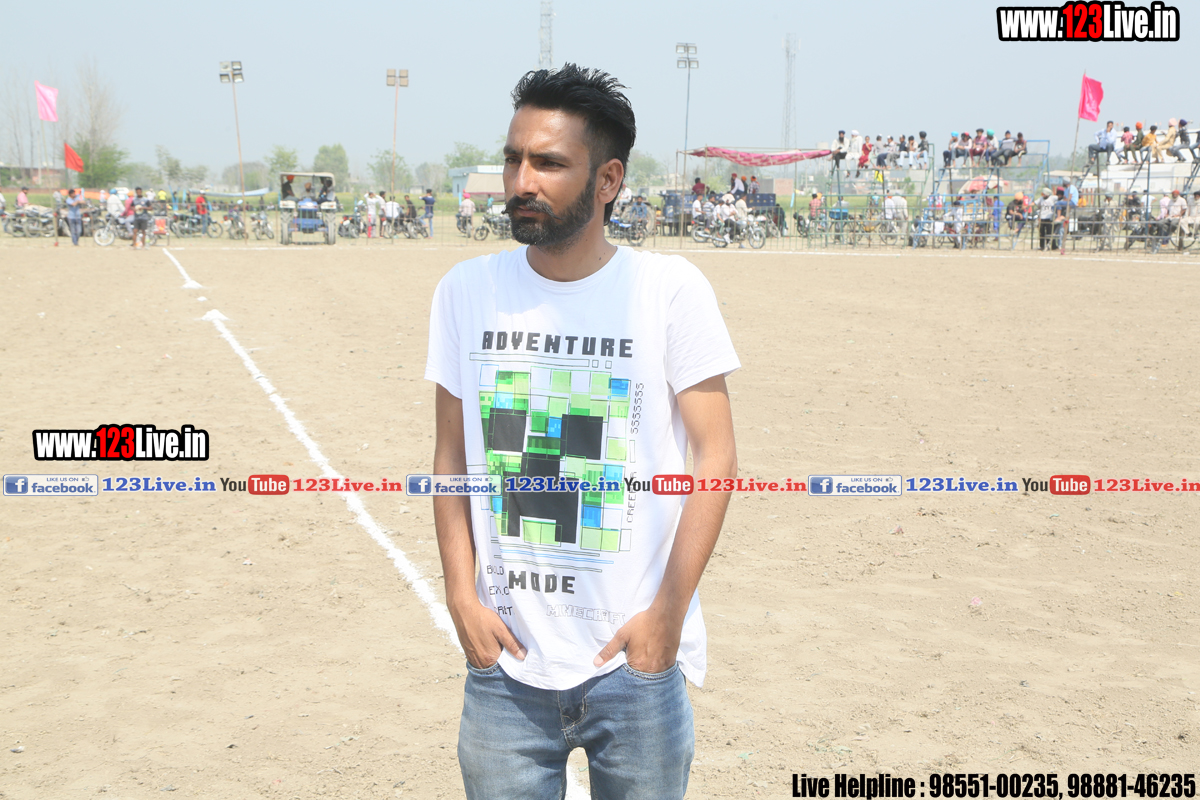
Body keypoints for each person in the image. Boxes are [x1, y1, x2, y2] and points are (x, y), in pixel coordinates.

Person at [427, 63, 738, 800]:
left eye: (548, 163)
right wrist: (461, 597)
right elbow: (451, 457)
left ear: (608, 180)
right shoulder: (466, 292)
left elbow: (716, 457)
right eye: (513, 159)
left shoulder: (669, 291)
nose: (521, 181)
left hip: (633, 664)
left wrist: (665, 619)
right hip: (505, 669)